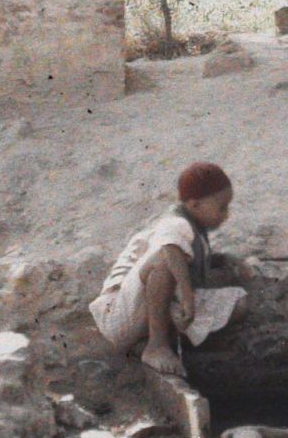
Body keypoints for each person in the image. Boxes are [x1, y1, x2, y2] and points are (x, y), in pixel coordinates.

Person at [90, 162, 234, 377]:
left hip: (146, 308)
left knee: (237, 302)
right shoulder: (175, 223)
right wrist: (187, 297)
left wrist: (222, 261)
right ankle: (156, 345)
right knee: (165, 261)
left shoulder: (192, 227)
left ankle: (150, 338)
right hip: (119, 314)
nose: (226, 215)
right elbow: (169, 253)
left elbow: (189, 258)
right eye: (221, 208)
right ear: (194, 205)